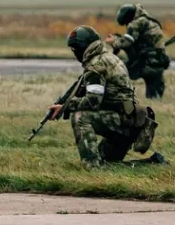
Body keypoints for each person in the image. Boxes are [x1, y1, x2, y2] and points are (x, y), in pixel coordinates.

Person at [47, 25, 166, 169]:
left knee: (80, 117)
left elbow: (93, 102)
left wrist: (65, 106)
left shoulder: (96, 65)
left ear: (83, 47)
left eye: (75, 48)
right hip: (131, 121)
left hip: (124, 122)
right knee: (109, 165)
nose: (74, 52)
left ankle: (91, 166)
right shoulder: (108, 57)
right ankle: (153, 164)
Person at [106, 3, 170, 99]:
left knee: (117, 70)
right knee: (154, 95)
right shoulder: (150, 21)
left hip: (147, 62)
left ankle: (114, 96)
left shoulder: (136, 23)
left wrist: (114, 42)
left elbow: (127, 42)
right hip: (160, 61)